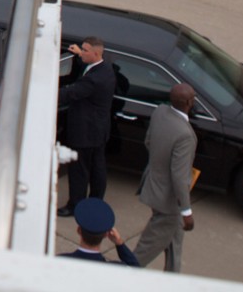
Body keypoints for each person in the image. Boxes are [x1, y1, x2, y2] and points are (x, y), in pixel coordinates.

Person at [133, 83, 197, 271]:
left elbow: (148, 141)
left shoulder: (160, 112)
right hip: (169, 202)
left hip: (153, 186)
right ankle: (124, 273)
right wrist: (187, 212)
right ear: (189, 102)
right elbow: (179, 176)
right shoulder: (185, 135)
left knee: (174, 239)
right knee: (147, 248)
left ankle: (172, 276)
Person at [57, 35, 116, 215]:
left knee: (79, 170)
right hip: (98, 129)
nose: (81, 52)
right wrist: (77, 55)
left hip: (85, 132)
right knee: (97, 166)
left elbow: (70, 94)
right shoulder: (105, 69)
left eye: (85, 50)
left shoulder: (92, 80)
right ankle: (96, 200)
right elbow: (89, 68)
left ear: (96, 53)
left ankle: (75, 205)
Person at [59, 198, 140, 266]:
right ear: (106, 235)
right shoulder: (114, 269)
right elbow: (135, 268)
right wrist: (119, 243)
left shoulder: (58, 262)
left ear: (79, 230)